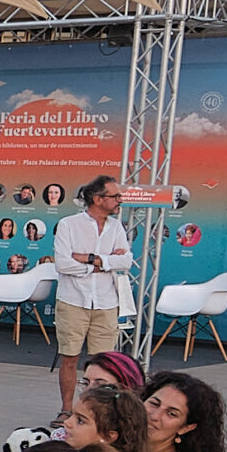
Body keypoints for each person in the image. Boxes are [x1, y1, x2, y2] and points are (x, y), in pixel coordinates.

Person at [53, 173, 132, 411]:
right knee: (69, 357)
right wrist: (103, 263)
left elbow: (126, 261)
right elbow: (63, 264)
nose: (119, 200)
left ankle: (96, 413)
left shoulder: (116, 227)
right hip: (73, 300)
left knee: (104, 364)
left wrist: (91, 259)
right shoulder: (69, 224)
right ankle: (67, 410)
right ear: (98, 199)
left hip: (106, 302)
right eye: (115, 196)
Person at [141, 370, 225, 452]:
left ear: (185, 427)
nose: (155, 416)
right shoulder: (138, 450)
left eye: (171, 414)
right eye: (154, 404)